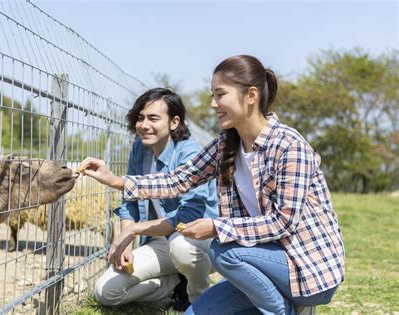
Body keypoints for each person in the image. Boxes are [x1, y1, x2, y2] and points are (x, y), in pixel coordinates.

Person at [81, 55, 345, 314]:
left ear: (251, 95)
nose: (213, 104)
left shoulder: (289, 146)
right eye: (212, 95)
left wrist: (216, 226)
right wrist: (115, 180)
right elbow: (178, 180)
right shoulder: (226, 144)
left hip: (305, 268)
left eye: (220, 95)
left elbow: (283, 222)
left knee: (225, 250)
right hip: (259, 262)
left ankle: (283, 310)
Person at [93, 88, 218, 311]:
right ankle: (175, 283)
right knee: (106, 292)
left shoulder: (189, 154)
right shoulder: (140, 149)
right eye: (140, 118)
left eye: (153, 118)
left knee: (181, 247)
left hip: (196, 239)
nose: (144, 125)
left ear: (174, 122)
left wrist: (134, 230)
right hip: (160, 241)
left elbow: (188, 218)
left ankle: (199, 300)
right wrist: (126, 244)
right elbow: (130, 202)